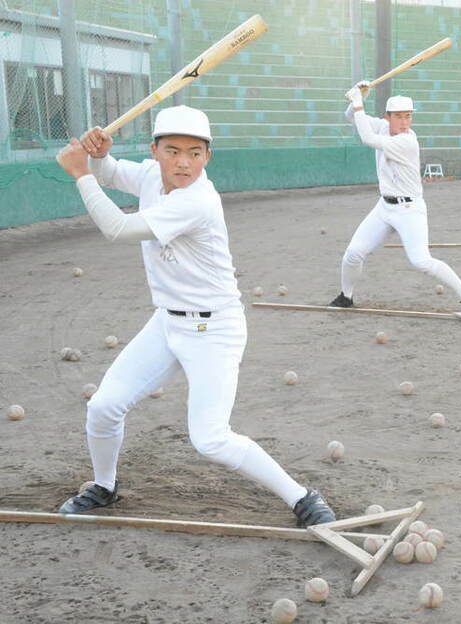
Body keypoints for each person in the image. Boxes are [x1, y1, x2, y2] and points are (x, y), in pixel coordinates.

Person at [53, 106, 336, 527]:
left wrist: (81, 172)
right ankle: (104, 486)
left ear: (208, 156)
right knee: (104, 407)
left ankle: (302, 497)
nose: (183, 162)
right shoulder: (152, 175)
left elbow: (117, 228)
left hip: (214, 329)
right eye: (172, 151)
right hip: (168, 322)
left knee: (210, 439)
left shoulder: (198, 200)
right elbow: (111, 172)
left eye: (194, 152)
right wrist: (96, 155)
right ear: (155, 151)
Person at [329, 81, 461, 311]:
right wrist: (359, 97)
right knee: (353, 254)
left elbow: (367, 139)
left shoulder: (406, 141)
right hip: (385, 207)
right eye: (399, 117)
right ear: (387, 117)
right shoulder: (382, 127)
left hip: (410, 210)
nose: (404, 122)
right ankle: (346, 297)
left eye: (408, 116)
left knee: (420, 260)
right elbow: (351, 118)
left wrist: (359, 103)